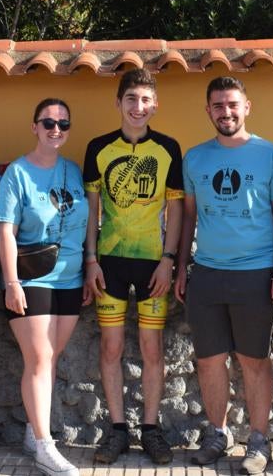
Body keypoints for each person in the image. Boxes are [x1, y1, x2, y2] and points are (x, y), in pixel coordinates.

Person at [175, 76, 273, 475]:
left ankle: (258, 441)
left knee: (254, 360)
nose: (226, 112)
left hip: (256, 274)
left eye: (232, 104)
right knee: (209, 361)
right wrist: (180, 267)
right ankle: (218, 433)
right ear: (208, 111)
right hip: (206, 273)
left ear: (247, 107)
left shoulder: (270, 155)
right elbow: (188, 216)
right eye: (218, 106)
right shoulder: (194, 158)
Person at [82, 69, 183, 465]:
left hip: (152, 265)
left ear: (154, 105)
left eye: (145, 100)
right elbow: (91, 211)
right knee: (111, 347)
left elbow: (175, 211)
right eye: (130, 99)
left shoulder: (169, 148)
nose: (137, 107)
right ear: (118, 103)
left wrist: (169, 261)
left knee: (151, 347)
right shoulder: (98, 147)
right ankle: (118, 430)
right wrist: (90, 259)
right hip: (109, 263)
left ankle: (151, 429)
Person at [0, 98, 89, 476]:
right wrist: (11, 282)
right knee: (38, 359)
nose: (56, 130)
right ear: (34, 126)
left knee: (48, 359)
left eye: (63, 124)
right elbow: (6, 231)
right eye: (48, 123)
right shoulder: (17, 173)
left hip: (70, 276)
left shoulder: (73, 170)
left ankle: (33, 435)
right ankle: (45, 446)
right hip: (30, 277)